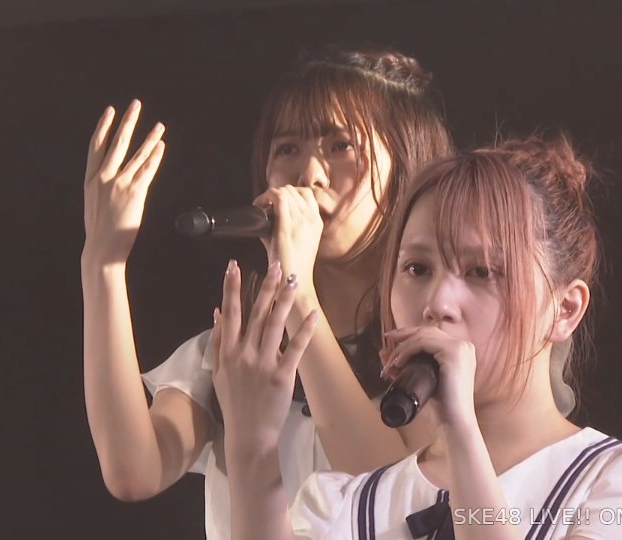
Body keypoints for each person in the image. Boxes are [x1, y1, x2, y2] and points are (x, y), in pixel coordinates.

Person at [212, 135, 622, 539]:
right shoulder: (341, 505)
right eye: (416, 268)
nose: (437, 303)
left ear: (565, 309)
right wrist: (251, 444)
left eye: (481, 271)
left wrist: (460, 433)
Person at [81, 44, 453, 539]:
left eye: (340, 145)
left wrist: (296, 291)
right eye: (287, 149)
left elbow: (387, 498)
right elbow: (133, 470)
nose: (308, 175)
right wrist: (102, 262)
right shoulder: (239, 353)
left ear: (408, 168)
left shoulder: (436, 356)